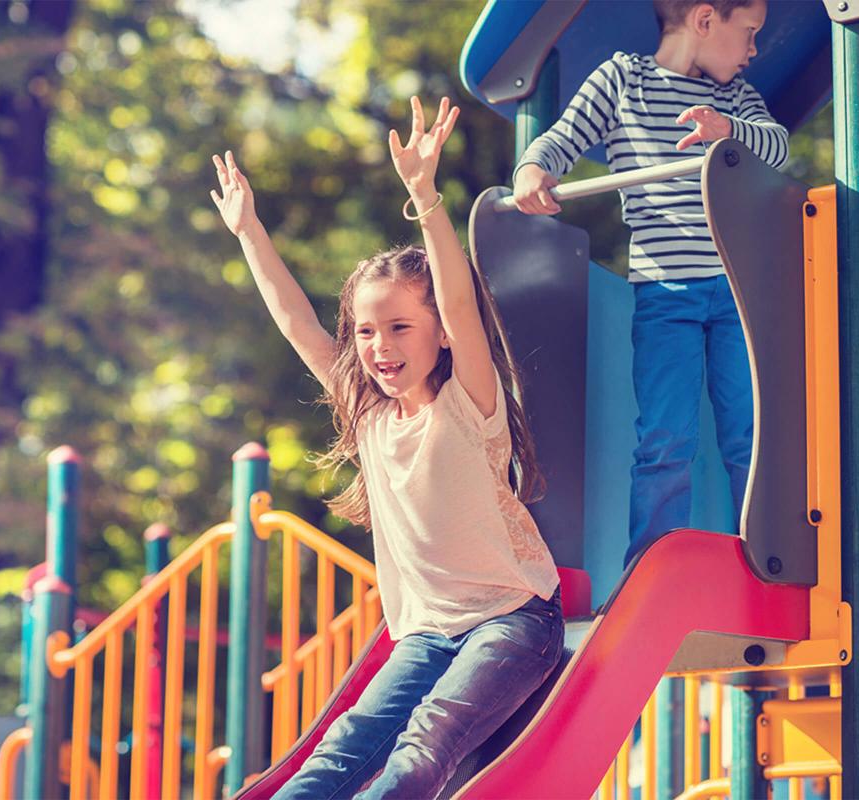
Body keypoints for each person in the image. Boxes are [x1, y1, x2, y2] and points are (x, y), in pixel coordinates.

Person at [210, 96, 563, 799]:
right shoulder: (370, 417)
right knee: (341, 748)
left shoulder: (470, 402)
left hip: (513, 622)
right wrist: (248, 232)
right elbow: (296, 323)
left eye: (400, 327)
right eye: (366, 332)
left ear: (440, 333)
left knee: (425, 744)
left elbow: (460, 299)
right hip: (426, 635)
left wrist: (426, 197)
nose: (379, 347)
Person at [512, 0, 788, 565]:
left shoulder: (736, 99)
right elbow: (559, 141)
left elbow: (776, 147)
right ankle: (656, 569)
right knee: (665, 438)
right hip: (665, 293)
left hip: (739, 292)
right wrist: (531, 169)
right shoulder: (624, 80)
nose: (755, 50)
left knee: (749, 435)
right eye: (750, 33)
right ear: (706, 21)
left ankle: (765, 559)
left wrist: (727, 131)